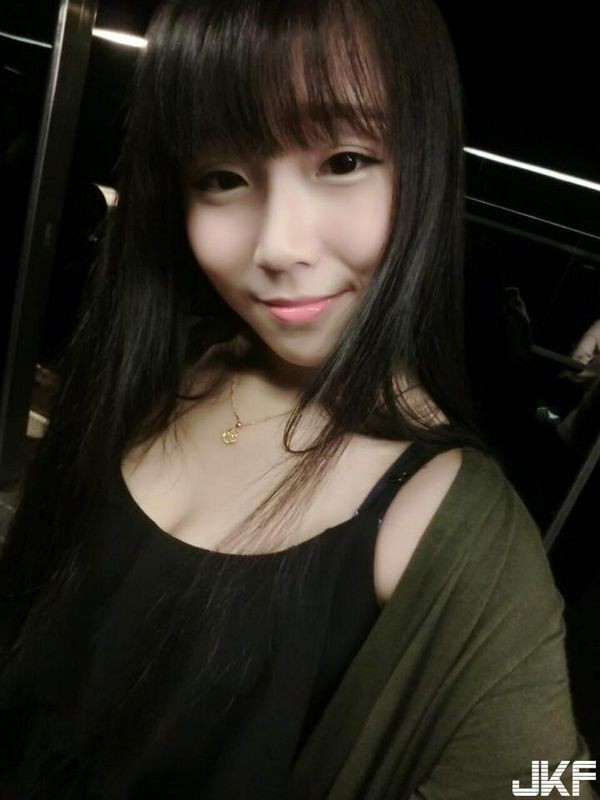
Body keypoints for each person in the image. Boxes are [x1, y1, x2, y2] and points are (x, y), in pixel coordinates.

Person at [0, 0, 596, 797]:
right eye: (222, 178)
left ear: (423, 163)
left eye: (344, 161)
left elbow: (553, 778)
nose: (278, 246)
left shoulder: (448, 524)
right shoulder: (175, 368)